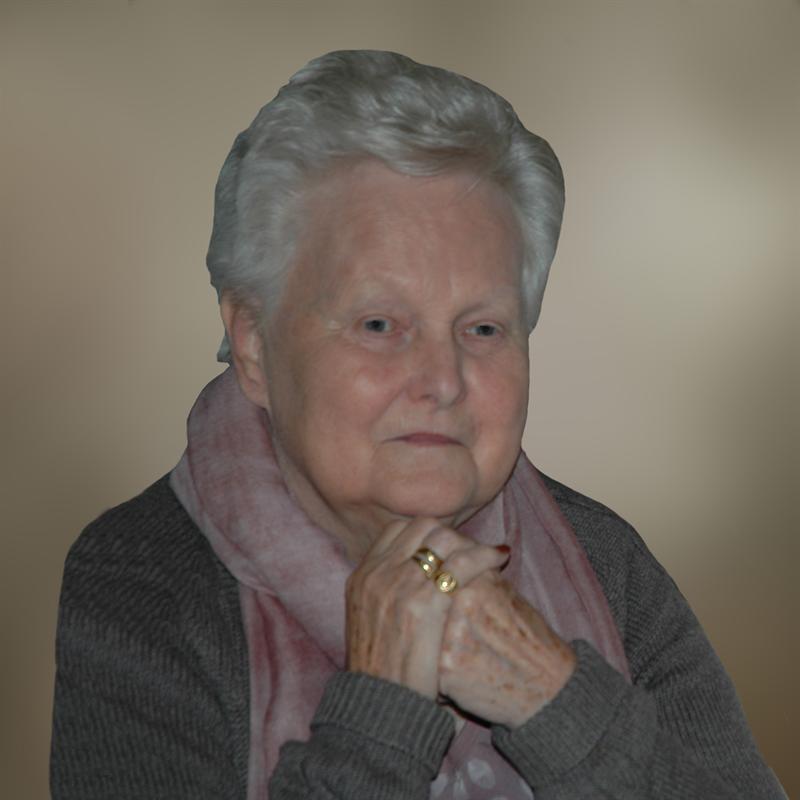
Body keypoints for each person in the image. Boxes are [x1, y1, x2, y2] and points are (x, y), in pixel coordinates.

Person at [50, 50, 785, 799]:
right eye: (379, 324)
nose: (443, 380)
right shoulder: (143, 579)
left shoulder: (605, 560)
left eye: (484, 329)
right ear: (253, 346)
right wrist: (381, 711)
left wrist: (555, 698)